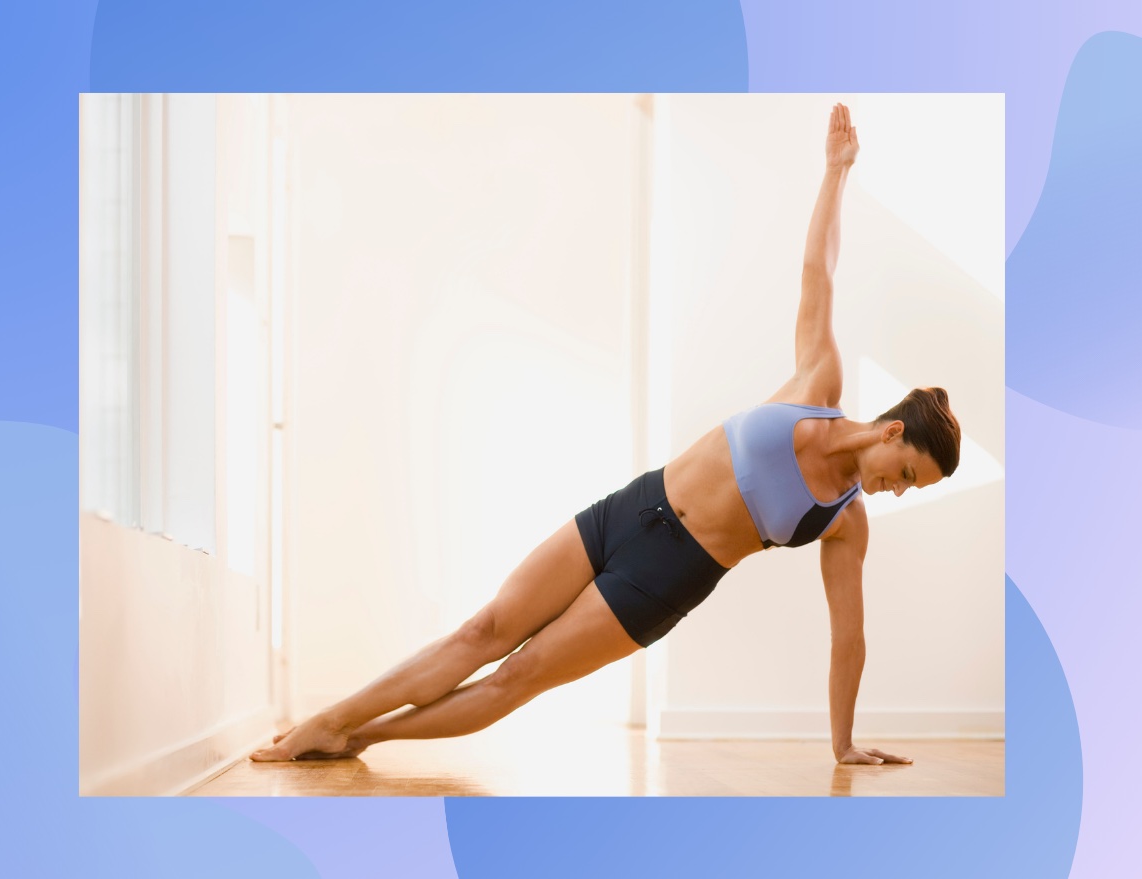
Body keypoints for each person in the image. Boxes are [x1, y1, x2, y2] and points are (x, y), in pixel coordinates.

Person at [250, 103, 961, 767]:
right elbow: (818, 271)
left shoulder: (845, 523)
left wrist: (843, 745)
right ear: (893, 430)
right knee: (484, 630)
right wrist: (836, 172)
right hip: (633, 507)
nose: (896, 489)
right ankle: (330, 718)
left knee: (518, 676)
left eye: (910, 487)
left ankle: (359, 735)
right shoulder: (818, 384)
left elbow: (848, 640)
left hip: (667, 578)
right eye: (907, 471)